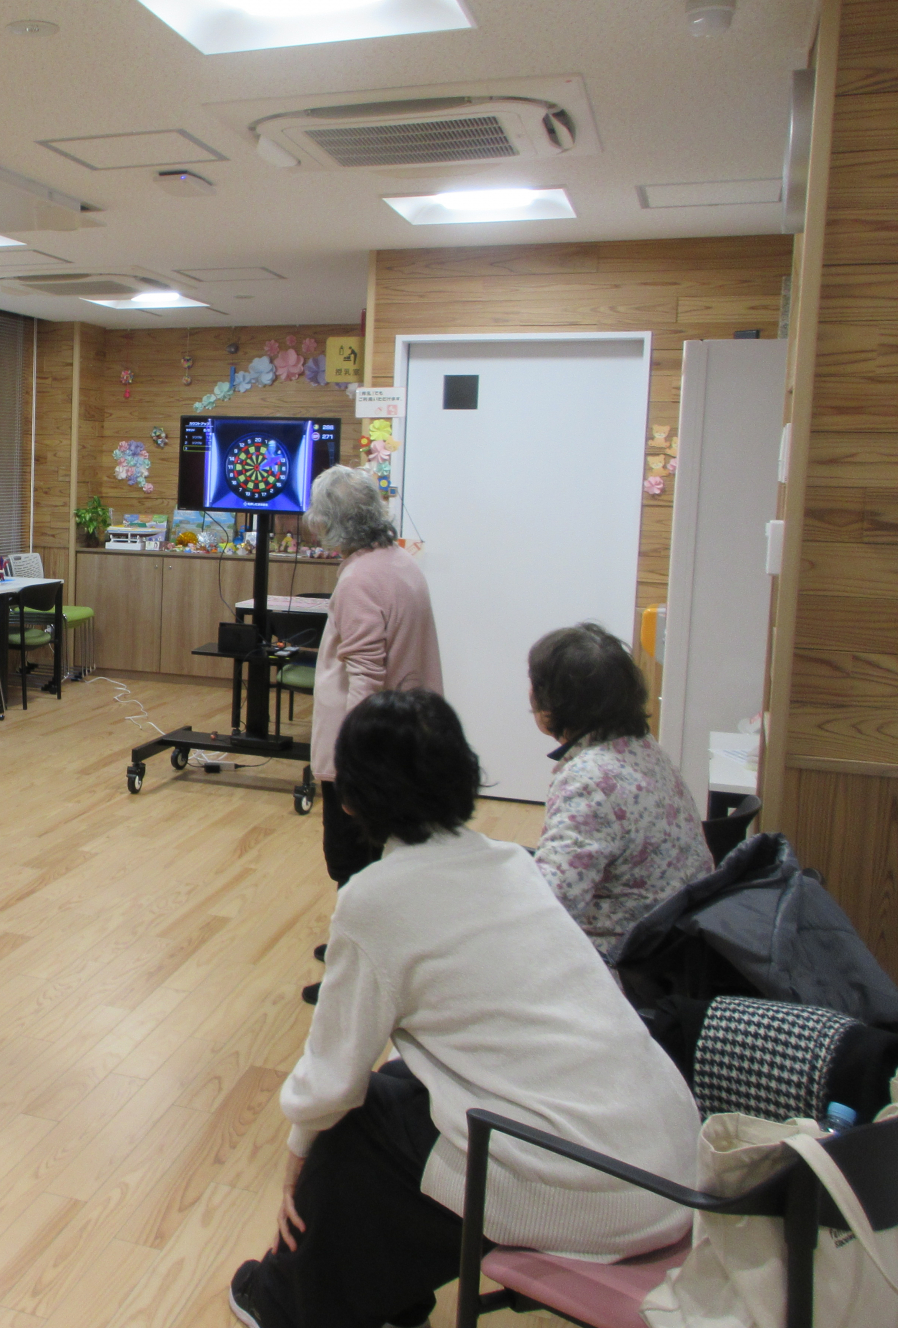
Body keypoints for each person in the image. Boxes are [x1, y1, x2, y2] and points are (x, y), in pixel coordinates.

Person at [228, 690, 699, 1328]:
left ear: (352, 798)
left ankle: (286, 1303)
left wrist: (294, 1155)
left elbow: (333, 1078)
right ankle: (390, 1299)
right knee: (402, 1086)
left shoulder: (375, 900)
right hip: (673, 1164)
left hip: (598, 1194)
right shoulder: (513, 863)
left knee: (354, 1126)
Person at [298, 465, 442, 1002]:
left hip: (370, 748)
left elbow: (365, 676)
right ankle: (358, 946)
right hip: (406, 737)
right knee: (383, 856)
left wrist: (355, 765)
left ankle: (356, 975)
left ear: (330, 523)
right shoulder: (399, 562)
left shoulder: (360, 580)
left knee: (354, 863)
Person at [528, 623, 712, 959]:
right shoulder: (644, 747)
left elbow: (549, 908)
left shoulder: (589, 780)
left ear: (551, 703)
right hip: (675, 946)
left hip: (622, 962)